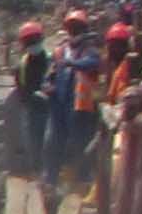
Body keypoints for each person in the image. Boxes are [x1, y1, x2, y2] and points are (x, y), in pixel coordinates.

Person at [42, 19, 102, 202]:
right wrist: (47, 85)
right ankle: (50, 181)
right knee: (52, 142)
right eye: (71, 30)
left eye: (77, 30)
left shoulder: (89, 50)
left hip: (80, 108)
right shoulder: (59, 51)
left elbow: (92, 63)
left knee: (80, 144)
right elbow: (48, 76)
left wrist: (71, 63)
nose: (73, 33)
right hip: (58, 104)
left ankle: (82, 181)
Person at [12, 18, 52, 183]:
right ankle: (38, 176)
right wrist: (34, 95)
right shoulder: (21, 66)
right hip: (33, 110)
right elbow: (22, 91)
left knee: (51, 143)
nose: (33, 44)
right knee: (34, 144)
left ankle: (50, 175)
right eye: (30, 42)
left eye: (35, 40)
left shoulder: (51, 59)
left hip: (51, 109)